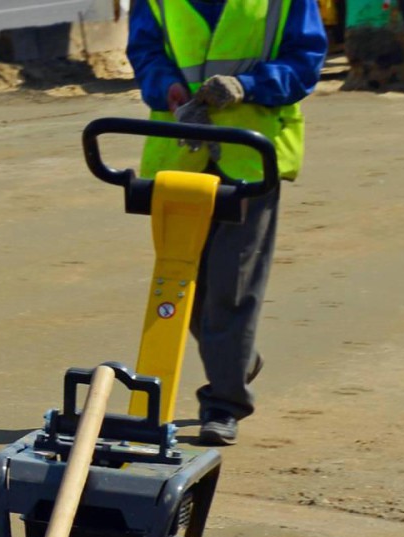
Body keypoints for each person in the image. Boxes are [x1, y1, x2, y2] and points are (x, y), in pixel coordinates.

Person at [128, 0, 327, 446]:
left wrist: (247, 86)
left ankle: (224, 402)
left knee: (231, 286)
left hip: (249, 158)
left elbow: (306, 61)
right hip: (181, 150)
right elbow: (145, 51)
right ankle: (236, 360)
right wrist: (168, 90)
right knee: (182, 284)